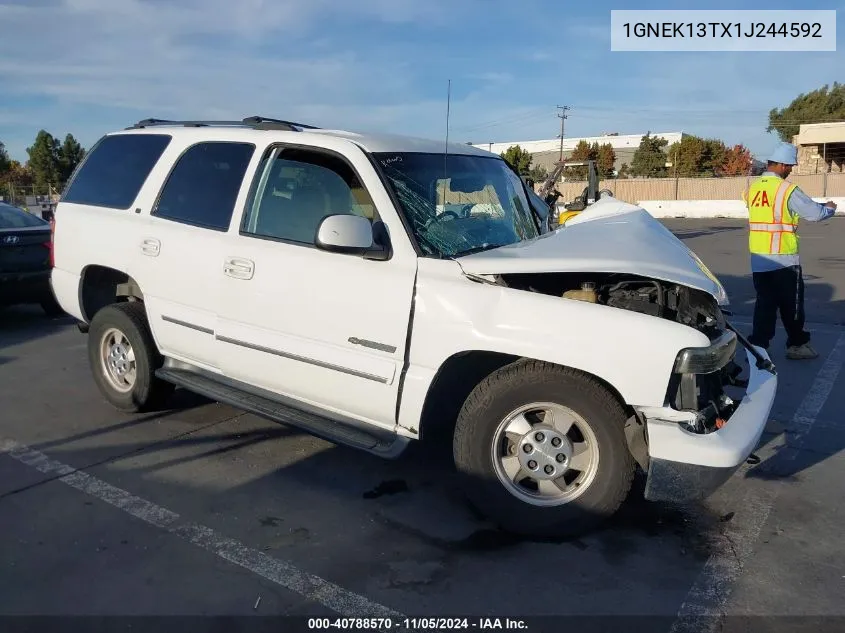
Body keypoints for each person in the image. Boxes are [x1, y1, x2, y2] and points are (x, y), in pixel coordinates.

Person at [743, 142, 837, 360]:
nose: (791, 171)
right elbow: (814, 214)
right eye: (790, 167)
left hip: (759, 258)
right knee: (792, 305)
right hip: (783, 259)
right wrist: (830, 208)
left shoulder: (753, 188)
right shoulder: (786, 189)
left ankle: (758, 346)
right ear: (783, 165)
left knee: (764, 304)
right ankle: (797, 344)